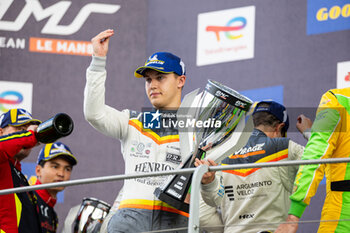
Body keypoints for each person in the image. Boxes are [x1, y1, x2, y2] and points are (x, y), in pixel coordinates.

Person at [84, 29, 187, 232]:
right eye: (148, 80)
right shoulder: (132, 120)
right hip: (130, 222)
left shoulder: (196, 128)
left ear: (180, 81)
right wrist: (98, 61)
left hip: (175, 223)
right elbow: (94, 114)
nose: (153, 85)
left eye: (160, 77)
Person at [195, 101, 312, 233]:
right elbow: (319, 161)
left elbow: (203, 214)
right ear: (279, 128)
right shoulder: (285, 147)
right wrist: (310, 133)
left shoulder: (221, 154)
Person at [275, 88, 350, 233]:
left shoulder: (338, 99)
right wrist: (312, 134)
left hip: (343, 212)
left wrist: (293, 216)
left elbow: (317, 154)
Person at [0, 108, 42, 233]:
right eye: (21, 129)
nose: (26, 133)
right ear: (1, 132)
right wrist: (29, 136)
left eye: (28, 130)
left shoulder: (20, 175)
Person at [35, 142, 77, 233]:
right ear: (38, 170)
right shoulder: (26, 199)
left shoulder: (52, 214)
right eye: (55, 167)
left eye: (67, 169)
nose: (61, 174)